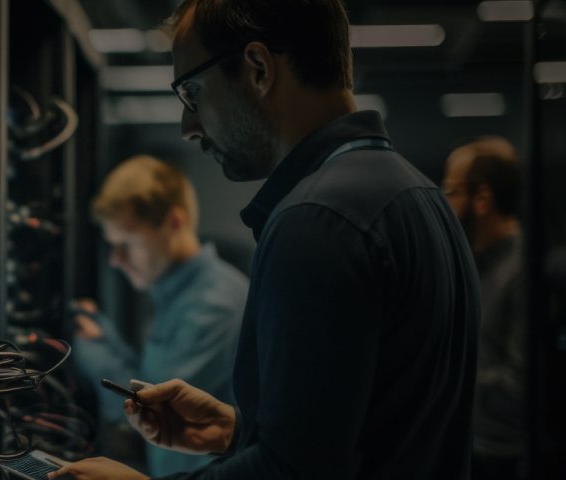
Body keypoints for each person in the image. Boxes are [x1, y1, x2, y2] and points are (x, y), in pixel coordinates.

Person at [50, 0, 480, 478]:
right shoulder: (417, 195)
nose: (188, 126)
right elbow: (374, 435)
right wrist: (240, 430)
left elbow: (294, 473)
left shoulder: (317, 219)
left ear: (257, 68)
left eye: (191, 92)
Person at [71, 155, 248, 476]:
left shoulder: (214, 306)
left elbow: (154, 412)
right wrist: (105, 339)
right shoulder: (183, 294)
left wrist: (95, 355)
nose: (116, 260)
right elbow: (150, 379)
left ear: (174, 223)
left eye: (126, 243)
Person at [442, 136, 526, 479]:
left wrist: (446, 375)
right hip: (474, 449)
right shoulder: (473, 264)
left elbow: (522, 386)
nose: (445, 204)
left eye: (450, 192)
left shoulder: (523, 272)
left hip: (503, 461)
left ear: (482, 199)